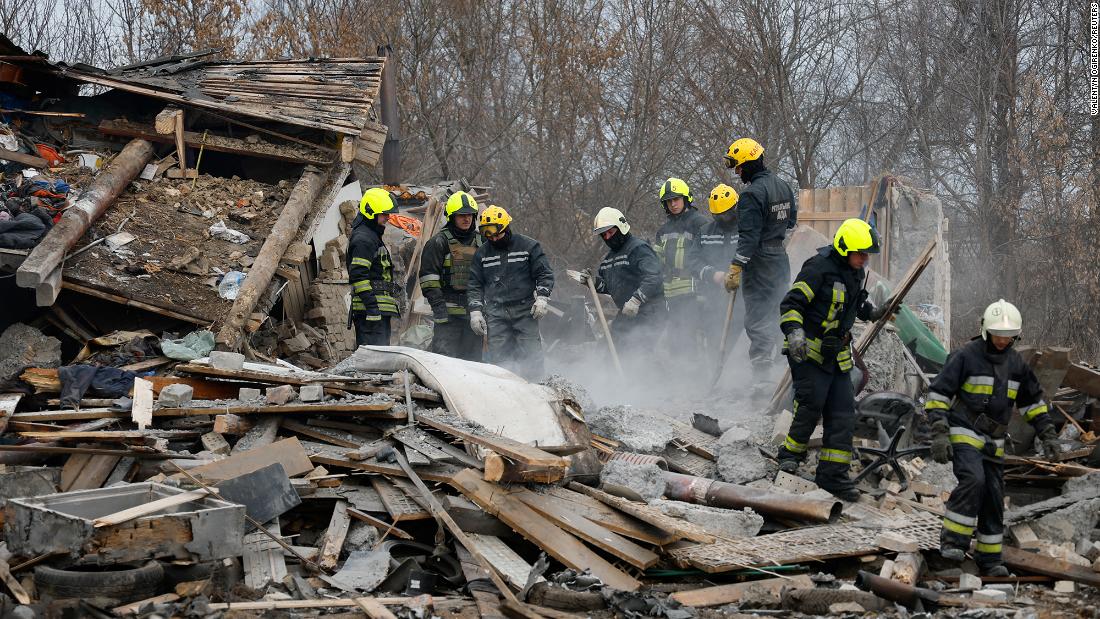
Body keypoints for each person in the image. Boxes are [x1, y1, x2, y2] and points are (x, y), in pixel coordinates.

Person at [925, 299, 1057, 577]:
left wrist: (1048, 434)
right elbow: (938, 394)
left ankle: (989, 558)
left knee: (994, 495)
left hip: (994, 440)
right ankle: (953, 543)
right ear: (985, 330)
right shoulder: (965, 357)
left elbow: (1032, 402)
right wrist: (939, 433)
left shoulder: (1016, 363)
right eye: (998, 334)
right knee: (974, 480)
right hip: (964, 429)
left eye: (1008, 336)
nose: (1002, 340)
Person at [776, 218, 888, 501]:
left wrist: (873, 312)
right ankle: (790, 455)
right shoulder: (818, 269)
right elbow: (791, 304)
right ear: (844, 248)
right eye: (861, 253)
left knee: (842, 411)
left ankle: (832, 476)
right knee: (812, 402)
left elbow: (855, 303)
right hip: (808, 350)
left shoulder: (855, 272)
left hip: (837, 354)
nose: (864, 259)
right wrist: (794, 332)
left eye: (867, 255)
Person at [722, 138, 797, 381]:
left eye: (739, 166)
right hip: (780, 260)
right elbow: (792, 222)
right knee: (777, 310)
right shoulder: (784, 186)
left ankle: (762, 378)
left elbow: (749, 238)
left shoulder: (751, 195)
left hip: (760, 262)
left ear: (749, 163)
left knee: (756, 317)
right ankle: (781, 366)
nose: (737, 171)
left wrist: (736, 266)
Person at [467, 205, 555, 378]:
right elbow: (475, 284)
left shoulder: (528, 246)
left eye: (497, 234)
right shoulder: (482, 254)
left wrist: (542, 297)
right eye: (488, 235)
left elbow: (544, 273)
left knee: (531, 357)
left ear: (506, 228)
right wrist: (475, 311)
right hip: (496, 314)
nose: (493, 239)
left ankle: (535, 389)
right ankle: (505, 392)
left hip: (524, 311)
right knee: (500, 361)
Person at [570, 207, 665, 355]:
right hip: (627, 314)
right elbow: (609, 286)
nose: (607, 237)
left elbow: (654, 277)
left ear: (621, 227)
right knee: (607, 350)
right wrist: (592, 282)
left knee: (638, 353)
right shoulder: (609, 259)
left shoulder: (639, 249)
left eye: (610, 232)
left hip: (650, 312)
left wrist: (636, 299)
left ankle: (650, 376)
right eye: (604, 235)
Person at [419, 190, 483, 361]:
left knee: (474, 363)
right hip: (448, 316)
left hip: (474, 315)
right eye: (461, 215)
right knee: (445, 361)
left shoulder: (482, 243)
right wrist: (439, 309)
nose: (466, 219)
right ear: (451, 217)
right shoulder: (438, 242)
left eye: (469, 214)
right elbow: (428, 279)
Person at [654, 177, 710, 354]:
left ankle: (696, 377)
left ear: (686, 198)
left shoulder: (700, 223)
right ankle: (679, 377)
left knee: (692, 339)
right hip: (671, 293)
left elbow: (708, 257)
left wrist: (705, 292)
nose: (673, 204)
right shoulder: (663, 230)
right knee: (675, 340)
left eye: (676, 199)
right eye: (668, 201)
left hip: (694, 292)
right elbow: (658, 261)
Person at [695, 184, 746, 365]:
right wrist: (713, 274)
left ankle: (740, 370)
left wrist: (741, 274)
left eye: (726, 214)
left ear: (735, 208)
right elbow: (694, 262)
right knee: (714, 334)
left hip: (743, 295)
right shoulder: (705, 233)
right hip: (714, 295)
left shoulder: (746, 230)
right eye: (718, 215)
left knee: (742, 335)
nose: (723, 218)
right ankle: (716, 370)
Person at [347, 187, 399, 347]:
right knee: (373, 361)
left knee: (379, 360)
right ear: (371, 212)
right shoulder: (364, 239)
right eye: (384, 214)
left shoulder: (371, 235)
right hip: (370, 313)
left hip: (376, 311)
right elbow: (358, 276)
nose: (388, 218)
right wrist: (372, 308)